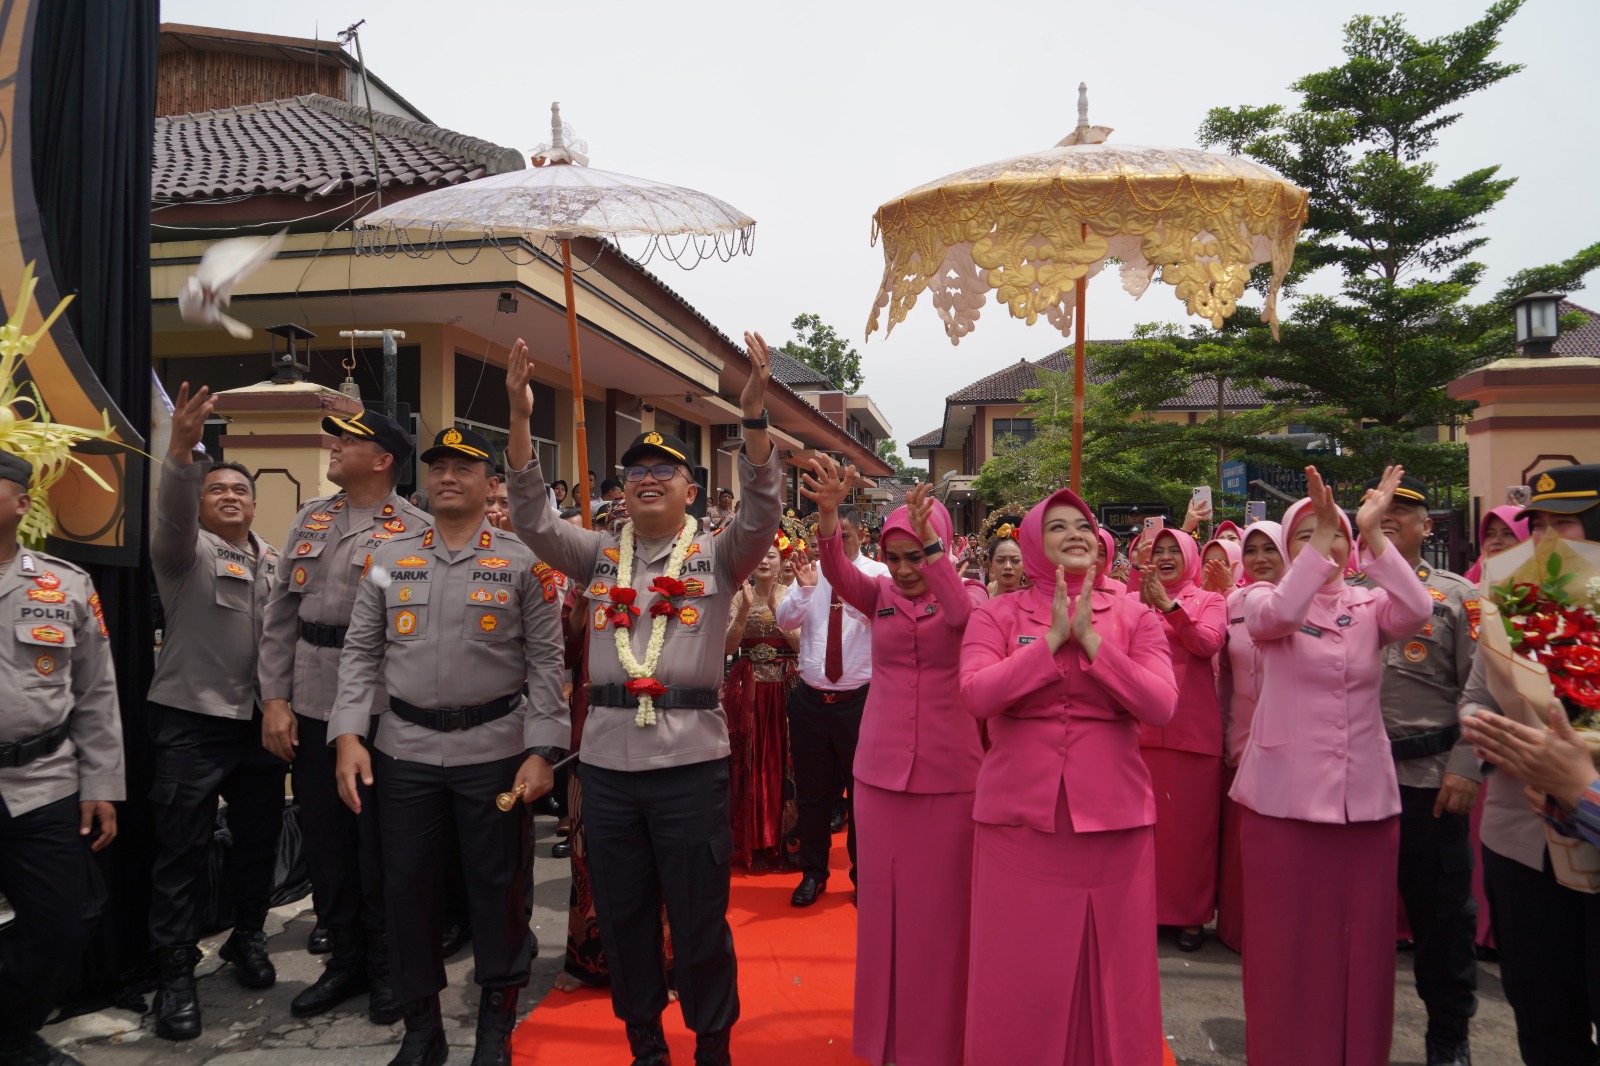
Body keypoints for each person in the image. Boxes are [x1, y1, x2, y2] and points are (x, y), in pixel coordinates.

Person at [506, 332, 780, 1066]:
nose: (648, 479)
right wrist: (523, 419)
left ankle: (712, 1043)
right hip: (608, 769)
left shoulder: (717, 554)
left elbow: (760, 511)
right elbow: (532, 521)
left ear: (692, 490)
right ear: (621, 492)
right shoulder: (597, 553)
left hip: (690, 766)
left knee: (698, 919)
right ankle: (645, 1043)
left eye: (666, 471)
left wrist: (753, 422)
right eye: (635, 473)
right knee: (624, 918)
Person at [330, 427, 566, 1066]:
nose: (446, 477)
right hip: (403, 754)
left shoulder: (524, 563)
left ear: (492, 485)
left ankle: (495, 1026)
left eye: (463, 468)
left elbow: (547, 663)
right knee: (406, 891)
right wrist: (348, 734)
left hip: (494, 754)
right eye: (437, 467)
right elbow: (361, 651)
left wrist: (543, 747)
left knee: (499, 889)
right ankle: (421, 1028)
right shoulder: (388, 557)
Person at [960, 488, 1177, 1066]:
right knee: (1019, 967)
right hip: (1019, 821)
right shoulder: (995, 613)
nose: (1075, 533)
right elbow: (976, 694)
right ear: (1033, 544)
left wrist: (1092, 644)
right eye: (1057, 527)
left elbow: (1160, 705)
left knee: (1114, 967)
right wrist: (1052, 641)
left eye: (1082, 524)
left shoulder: (1134, 614)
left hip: (1114, 819)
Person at [1231, 466, 1430, 1066]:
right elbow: (1281, 617)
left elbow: (1418, 607)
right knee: (1288, 947)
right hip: (1283, 806)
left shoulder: (1371, 606)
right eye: (1310, 534)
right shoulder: (1261, 600)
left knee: (1363, 949)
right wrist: (1319, 540)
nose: (1329, 543)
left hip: (1365, 806)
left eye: (1338, 534)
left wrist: (1374, 533)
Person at [805, 466, 985, 1066]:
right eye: (897, 556)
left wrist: (937, 551)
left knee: (945, 913)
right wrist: (829, 518)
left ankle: (946, 1038)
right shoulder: (876, 595)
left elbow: (959, 616)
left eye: (918, 555)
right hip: (880, 775)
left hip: (952, 776)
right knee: (883, 912)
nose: (907, 569)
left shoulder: (969, 597)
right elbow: (836, 572)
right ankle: (887, 1039)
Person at [257, 407, 426, 1024]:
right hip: (308, 702)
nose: (332, 445)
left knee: (378, 845)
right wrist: (274, 699)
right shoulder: (311, 516)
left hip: (378, 712)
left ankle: (387, 969)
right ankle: (345, 960)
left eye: (347, 440)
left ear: (382, 459)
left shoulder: (413, 530)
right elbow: (281, 614)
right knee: (324, 842)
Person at [144, 385, 284, 1040]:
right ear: (201, 503)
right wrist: (179, 452)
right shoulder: (184, 552)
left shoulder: (277, 563)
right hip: (192, 722)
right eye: (216, 490)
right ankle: (174, 971)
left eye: (240, 491)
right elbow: (170, 513)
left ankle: (246, 937)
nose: (230, 497)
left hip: (259, 724)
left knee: (258, 841)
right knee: (182, 849)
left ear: (256, 505)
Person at [1458, 463, 1600, 1066]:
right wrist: (1488, 734)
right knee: (1541, 1017)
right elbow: (1475, 697)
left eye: (1563, 523)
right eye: (1536, 525)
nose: (1543, 541)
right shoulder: (1509, 602)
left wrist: (1576, 771)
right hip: (1519, 843)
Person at [1350, 474, 1481, 1066]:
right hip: (1356, 783)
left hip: (1429, 781)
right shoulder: (1347, 592)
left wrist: (1467, 764)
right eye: (1384, 512)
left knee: (1443, 921)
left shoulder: (1461, 597)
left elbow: (1484, 689)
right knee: (1354, 918)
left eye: (1408, 513)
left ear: (1429, 527)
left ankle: (1448, 1032)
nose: (1394, 520)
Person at [0, 453, 121, 1066]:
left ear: (22, 504)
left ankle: (10, 1030)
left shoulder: (64, 583)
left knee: (68, 918)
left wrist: (100, 783)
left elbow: (96, 691)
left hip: (39, 779)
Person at [774, 497, 889, 908]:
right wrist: (804, 592)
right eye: (832, 540)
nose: (839, 547)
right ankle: (813, 872)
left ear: (862, 536)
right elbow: (784, 620)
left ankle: (864, 876)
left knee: (863, 796)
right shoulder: (811, 572)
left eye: (847, 538)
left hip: (860, 703)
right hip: (809, 701)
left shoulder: (879, 575)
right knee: (813, 793)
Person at [1136, 527, 1227, 951]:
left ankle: (1191, 915)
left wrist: (1169, 607)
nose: (1167, 556)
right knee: (1147, 832)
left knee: (1192, 834)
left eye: (1176, 550)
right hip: (1141, 734)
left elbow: (1206, 644)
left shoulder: (1209, 600)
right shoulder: (1135, 601)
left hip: (1192, 734)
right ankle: (1146, 911)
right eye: (1160, 550)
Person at [1460, 503, 1531, 958]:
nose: (1498, 543)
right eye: (1492, 535)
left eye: (1509, 534)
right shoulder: (1469, 589)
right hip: (1486, 744)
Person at [1213, 520, 1283, 953]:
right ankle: (1238, 931)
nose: (1258, 559)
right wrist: (1224, 731)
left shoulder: (1309, 604)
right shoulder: (1232, 603)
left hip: (1290, 745)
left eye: (1269, 550)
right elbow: (1223, 677)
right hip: (1242, 739)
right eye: (1251, 550)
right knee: (1244, 846)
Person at [723, 540, 799, 870]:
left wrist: (775, 608)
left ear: (782, 560)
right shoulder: (738, 595)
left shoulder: (792, 593)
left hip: (784, 684)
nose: (765, 560)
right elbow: (728, 646)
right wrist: (744, 610)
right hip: (748, 686)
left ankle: (783, 838)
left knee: (782, 759)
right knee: (747, 759)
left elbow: (799, 643)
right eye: (759, 554)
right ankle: (750, 838)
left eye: (771, 555)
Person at [1462, 505, 1529, 584]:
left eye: (1507, 534)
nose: (1496, 541)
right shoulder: (1480, 567)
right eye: (1490, 534)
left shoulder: (1541, 577)